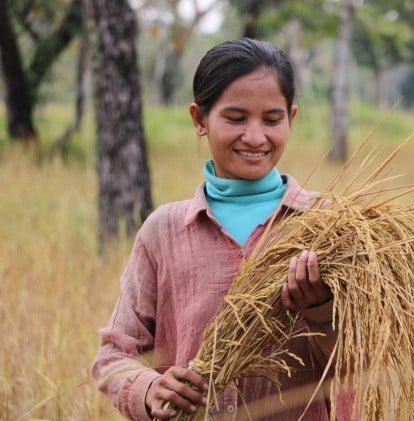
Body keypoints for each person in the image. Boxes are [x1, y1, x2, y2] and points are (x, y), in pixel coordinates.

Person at [91, 38, 353, 420]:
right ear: (200, 119)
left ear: (291, 119)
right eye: (235, 118)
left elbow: (366, 362)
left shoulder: (330, 226)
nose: (254, 136)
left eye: (271, 119)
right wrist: (150, 389)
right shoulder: (163, 231)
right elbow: (115, 355)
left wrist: (321, 313)